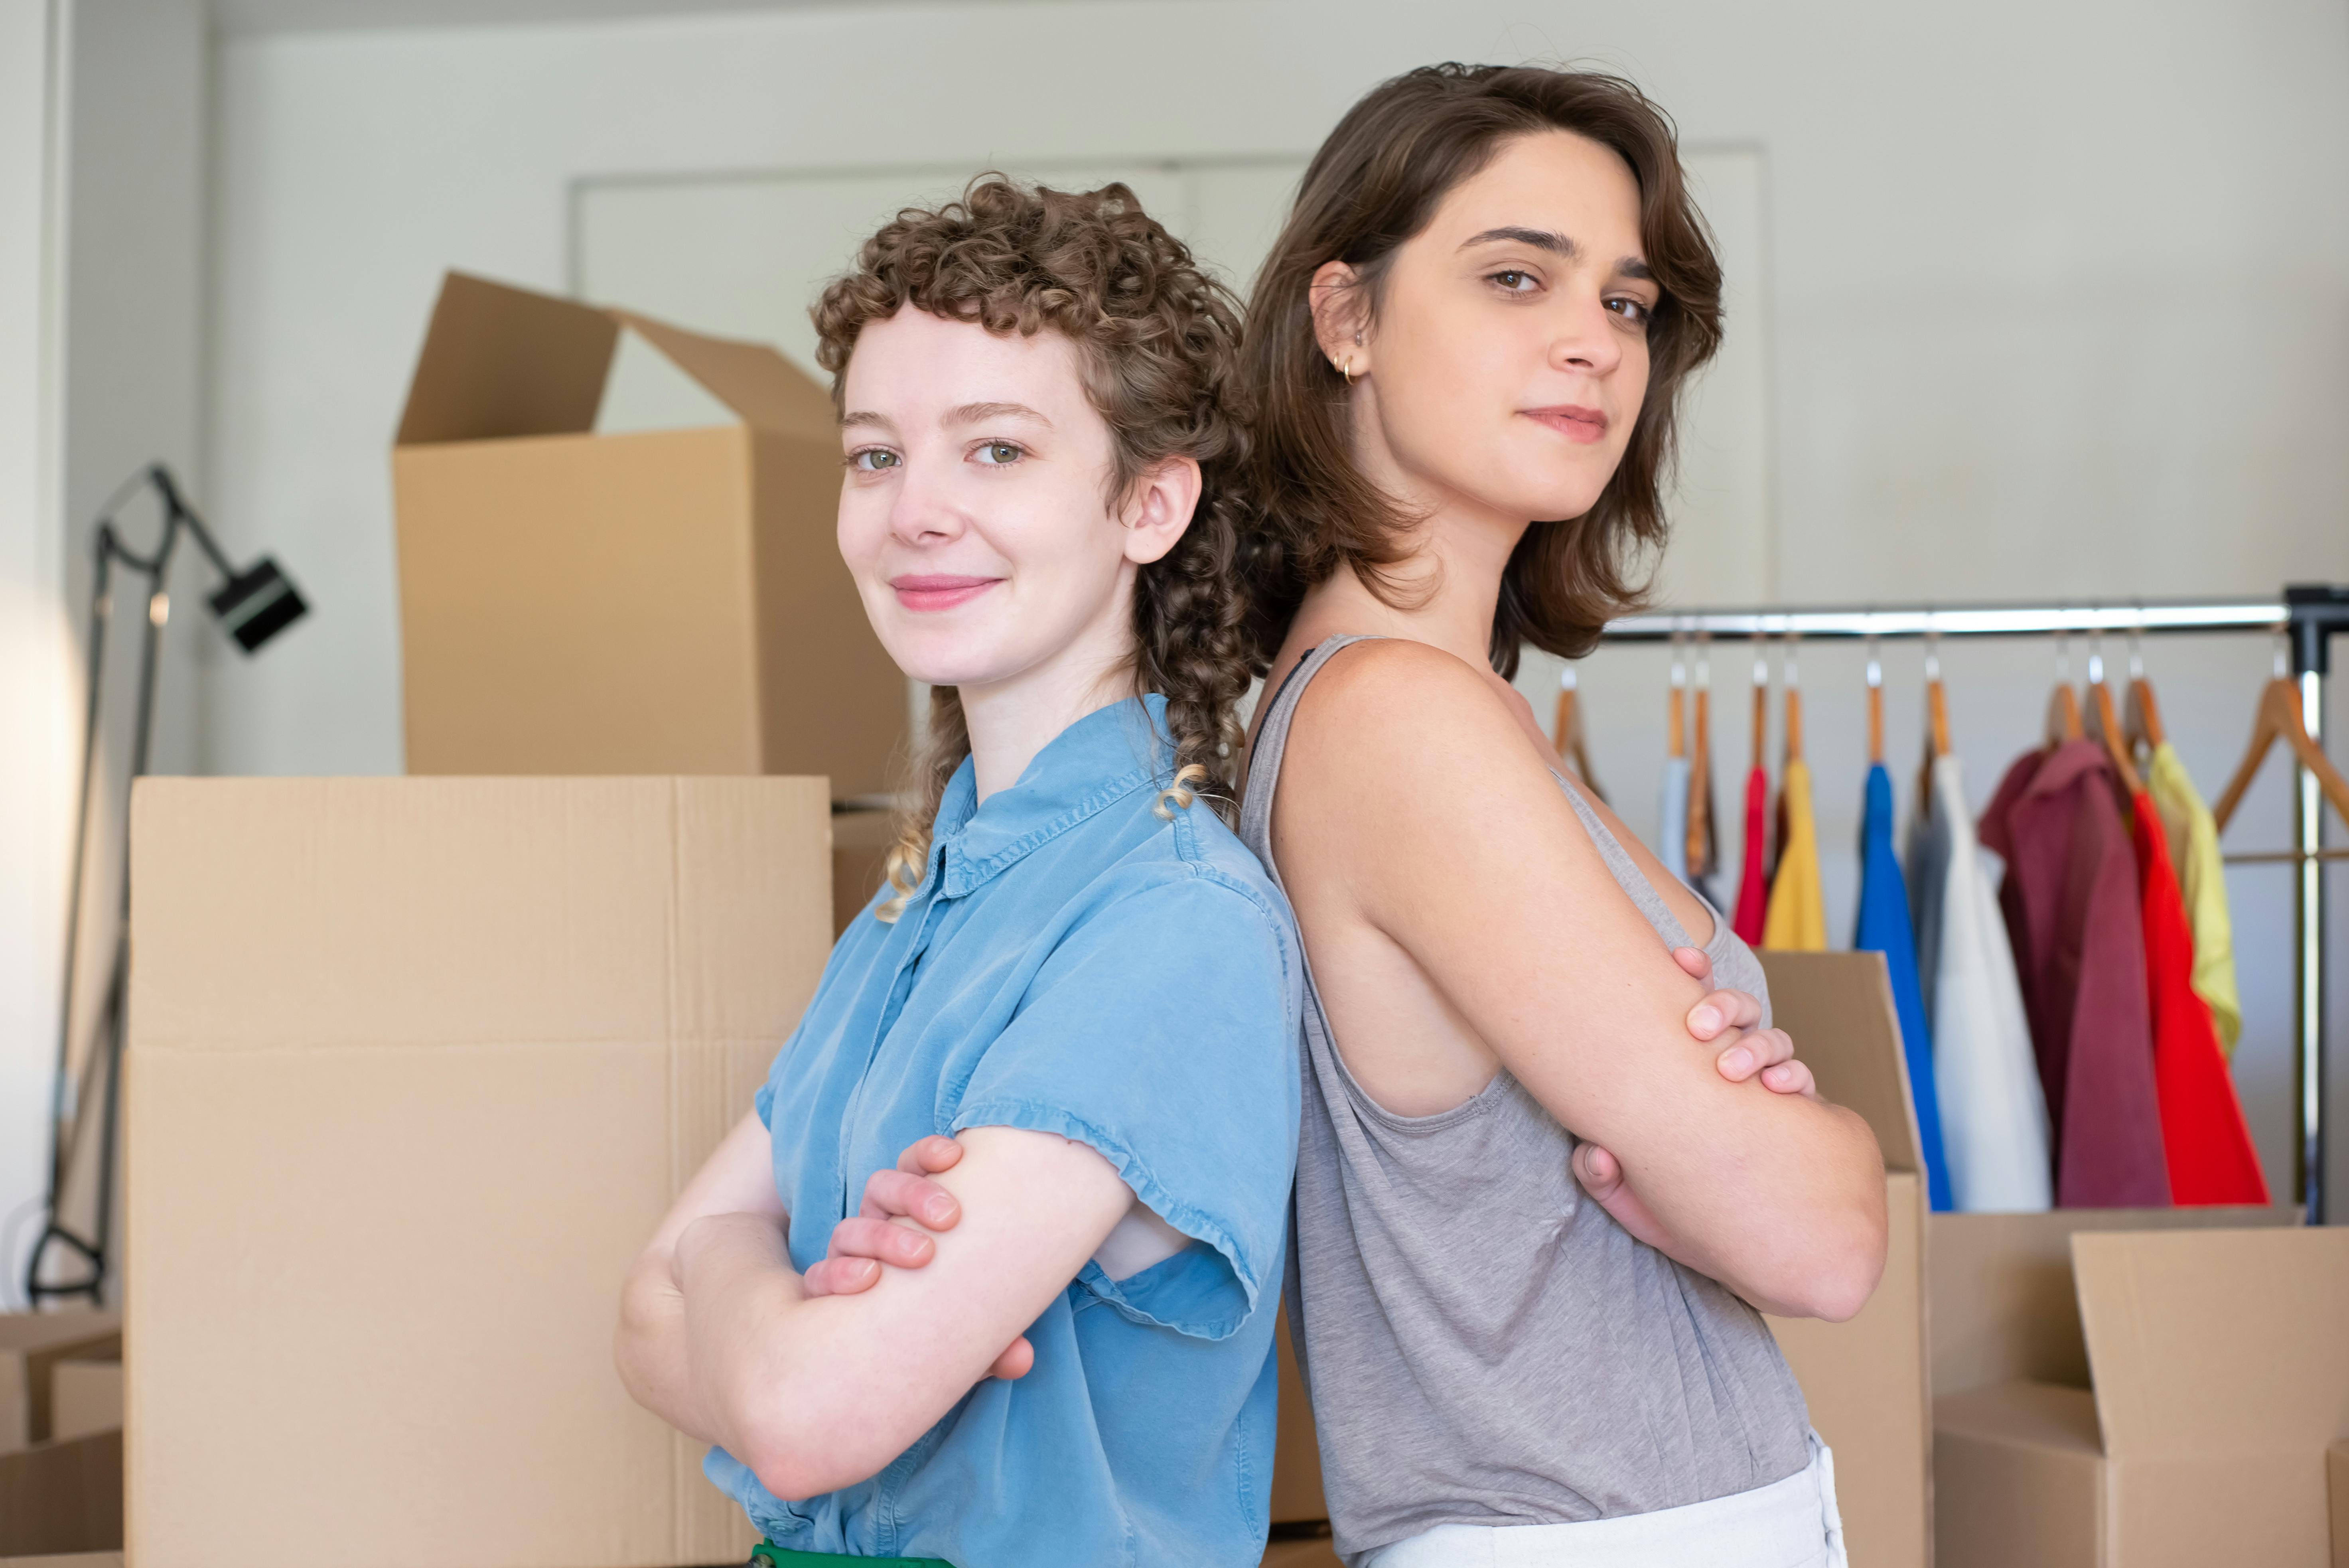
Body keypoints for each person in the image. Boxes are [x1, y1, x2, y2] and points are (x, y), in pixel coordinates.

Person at [1231, 65, 1888, 1567]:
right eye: (1516, 276)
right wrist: (1814, 1140)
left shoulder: (1427, 706)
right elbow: (1825, 1240)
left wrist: (1741, 1150)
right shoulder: (1403, 721)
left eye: (1628, 303)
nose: (1591, 341)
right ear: (1345, 322)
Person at [611, 178, 1303, 1568]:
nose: (913, 510)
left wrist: (740, 1281)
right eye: (874, 455)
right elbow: (636, 1317)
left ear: (1150, 504)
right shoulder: (912, 902)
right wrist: (789, 1309)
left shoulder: (1172, 923)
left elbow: (808, 1418)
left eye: (994, 451)